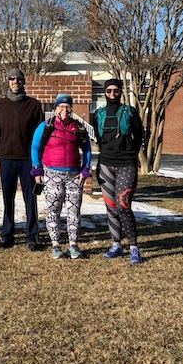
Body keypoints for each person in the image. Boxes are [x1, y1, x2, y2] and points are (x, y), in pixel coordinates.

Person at [30, 94, 92, 259]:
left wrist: (85, 170)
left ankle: (73, 244)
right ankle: (56, 245)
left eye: (67, 106)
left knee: (74, 211)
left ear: (71, 109)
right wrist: (37, 171)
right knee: (53, 210)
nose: (64, 110)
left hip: (73, 175)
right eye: (61, 106)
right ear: (55, 108)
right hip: (52, 174)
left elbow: (87, 149)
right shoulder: (46, 126)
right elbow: (35, 148)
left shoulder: (78, 127)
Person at [0, 68, 45, 250]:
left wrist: (38, 161)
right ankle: (7, 235)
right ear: (8, 81)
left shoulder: (34, 106)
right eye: (12, 79)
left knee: (31, 198)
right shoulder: (0, 105)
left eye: (18, 79)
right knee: (8, 198)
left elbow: (40, 136)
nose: (15, 82)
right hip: (6, 159)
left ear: (23, 82)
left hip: (27, 159)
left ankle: (32, 236)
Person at [93, 78, 145, 264]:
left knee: (123, 205)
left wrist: (133, 153)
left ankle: (133, 248)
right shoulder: (98, 114)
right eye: (109, 91)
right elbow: (99, 140)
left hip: (126, 165)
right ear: (104, 93)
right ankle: (116, 245)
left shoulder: (130, 112)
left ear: (121, 92)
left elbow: (139, 135)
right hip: (106, 165)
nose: (112, 94)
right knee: (111, 207)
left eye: (116, 91)